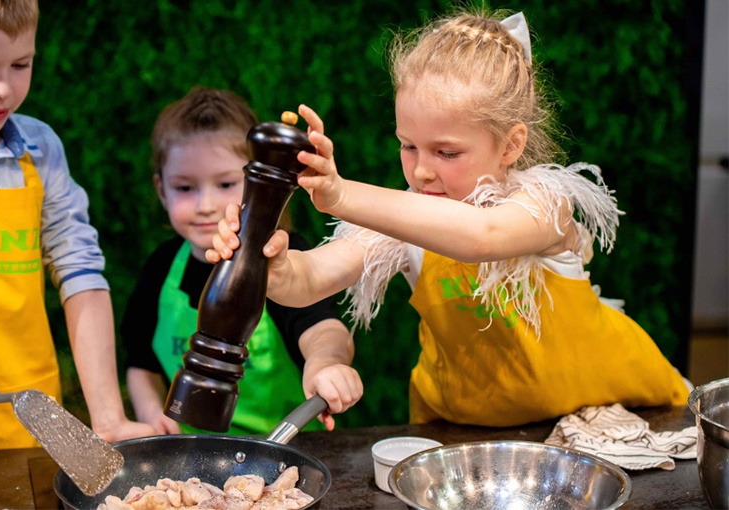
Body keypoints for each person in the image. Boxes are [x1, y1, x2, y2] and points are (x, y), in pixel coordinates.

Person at [210, 9, 691, 427]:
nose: (421, 170)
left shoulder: (545, 201)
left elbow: (483, 236)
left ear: (511, 145)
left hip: (606, 411)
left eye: (446, 151)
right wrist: (272, 267)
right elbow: (310, 280)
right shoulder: (407, 216)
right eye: (408, 145)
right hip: (461, 427)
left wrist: (339, 194)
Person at [0, 0, 155, 453]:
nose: (2, 89)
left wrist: (109, 417)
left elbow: (82, 275)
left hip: (34, 430)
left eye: (21, 64)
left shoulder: (42, 150)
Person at [121, 87, 362, 435]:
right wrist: (150, 413)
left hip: (282, 449)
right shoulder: (161, 267)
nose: (206, 204)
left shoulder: (281, 257)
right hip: (187, 457)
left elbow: (322, 327)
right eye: (185, 188)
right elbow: (140, 361)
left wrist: (326, 363)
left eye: (225, 184)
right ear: (161, 189)